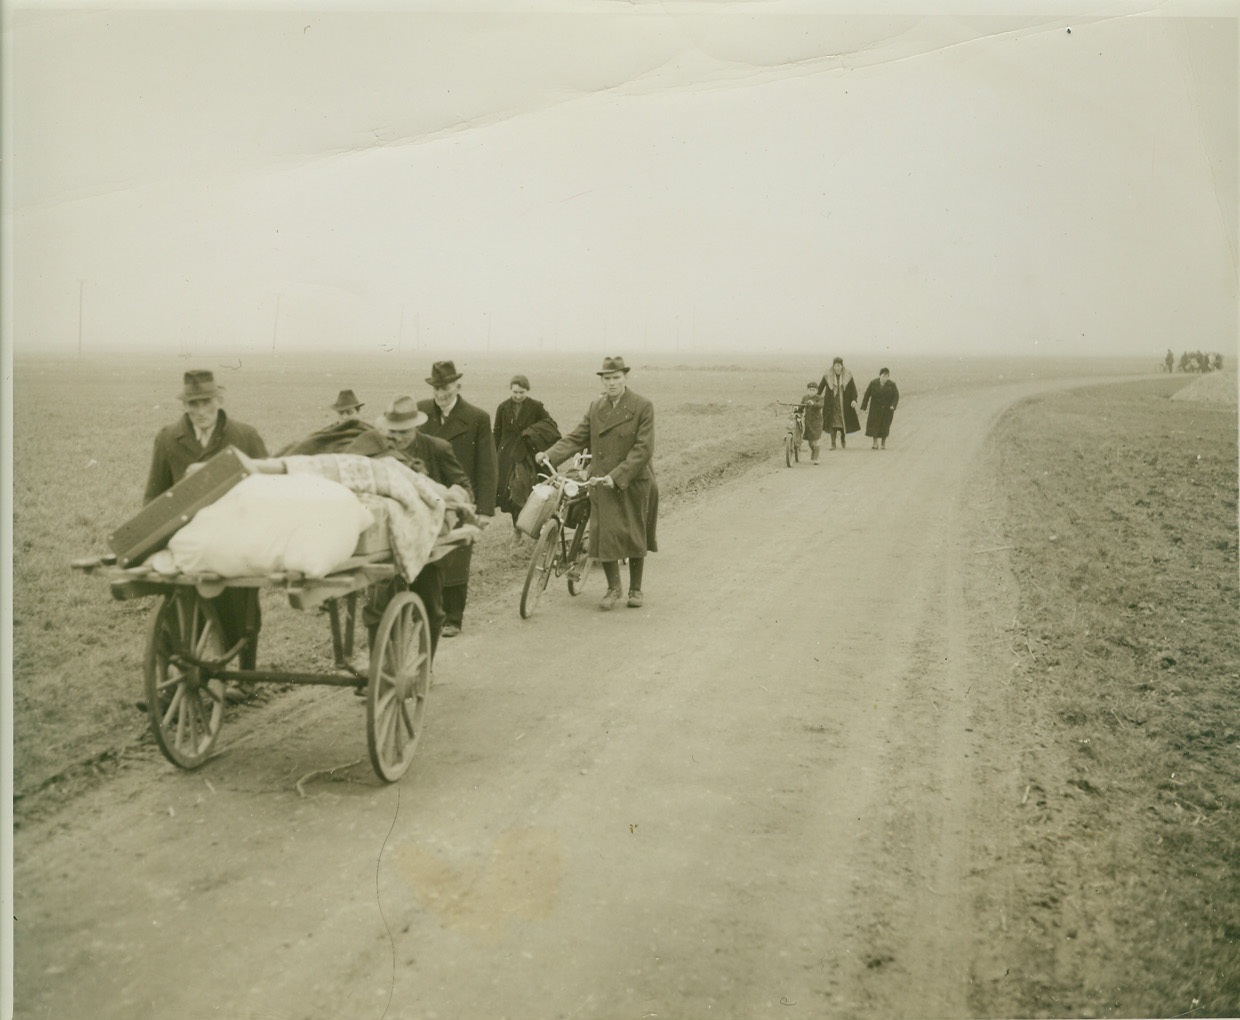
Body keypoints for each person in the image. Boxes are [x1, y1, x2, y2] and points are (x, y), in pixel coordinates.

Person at [145, 369, 269, 674]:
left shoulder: (245, 436)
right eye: (193, 404)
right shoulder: (168, 439)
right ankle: (170, 683)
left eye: (206, 402)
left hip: (235, 537)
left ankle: (246, 676)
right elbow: (154, 496)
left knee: (240, 609)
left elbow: (267, 490)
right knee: (175, 609)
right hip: (187, 541)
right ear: (185, 406)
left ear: (220, 400)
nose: (201, 411)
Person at [345, 394, 473, 657]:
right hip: (387, 539)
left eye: (404, 432)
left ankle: (426, 664)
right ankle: (379, 669)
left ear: (416, 427)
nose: (399, 437)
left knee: (429, 609)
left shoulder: (436, 448)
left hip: (427, 542)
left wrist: (452, 498)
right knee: (376, 609)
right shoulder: (379, 449)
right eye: (393, 431)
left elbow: (463, 486)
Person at [537, 355, 657, 611]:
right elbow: (575, 438)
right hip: (601, 479)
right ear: (602, 381)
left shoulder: (642, 406)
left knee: (634, 533)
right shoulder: (596, 408)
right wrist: (551, 454)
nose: (611, 383)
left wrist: (618, 475)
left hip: (631, 479)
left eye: (616, 378)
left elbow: (643, 449)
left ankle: (636, 588)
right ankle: (613, 588)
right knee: (605, 533)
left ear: (625, 378)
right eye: (607, 379)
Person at [416, 361, 496, 638]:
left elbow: (487, 465)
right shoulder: (420, 412)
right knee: (429, 556)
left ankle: (453, 617)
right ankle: (430, 613)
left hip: (462, 497)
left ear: (457, 386)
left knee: (457, 557)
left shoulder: (477, 418)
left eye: (446, 387)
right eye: (437, 388)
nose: (441, 394)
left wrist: (484, 509)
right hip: (427, 497)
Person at [494, 374, 561, 531]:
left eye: (522, 392)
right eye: (515, 392)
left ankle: (537, 528)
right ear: (510, 390)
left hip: (529, 456)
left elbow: (550, 424)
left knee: (533, 492)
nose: (518, 396)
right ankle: (517, 530)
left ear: (527, 391)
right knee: (511, 494)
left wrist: (531, 432)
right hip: (508, 456)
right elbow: (497, 432)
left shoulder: (536, 406)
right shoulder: (503, 407)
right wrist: (495, 455)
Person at [277, 388, 372, 456]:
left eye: (349, 412)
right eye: (341, 413)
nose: (345, 417)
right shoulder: (330, 431)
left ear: (358, 412)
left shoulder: (366, 431)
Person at [817, 357, 860, 450]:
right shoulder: (827, 375)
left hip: (844, 403)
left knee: (843, 422)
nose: (837, 368)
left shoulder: (848, 375)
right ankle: (833, 443)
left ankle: (843, 439)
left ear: (842, 366)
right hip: (831, 403)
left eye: (839, 365)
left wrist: (854, 400)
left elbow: (853, 389)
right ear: (833, 366)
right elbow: (820, 388)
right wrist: (815, 397)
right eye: (835, 366)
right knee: (832, 422)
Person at [860, 367, 900, 449]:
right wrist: (864, 406)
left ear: (888, 377)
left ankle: (883, 443)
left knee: (885, 426)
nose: (884, 378)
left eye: (886, 376)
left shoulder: (892, 385)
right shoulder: (873, 383)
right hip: (875, 409)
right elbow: (867, 394)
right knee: (874, 425)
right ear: (880, 376)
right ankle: (875, 443)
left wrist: (893, 405)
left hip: (887, 410)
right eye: (883, 376)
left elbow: (896, 396)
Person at [798, 380, 824, 464]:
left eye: (813, 390)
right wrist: (797, 411)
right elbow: (801, 407)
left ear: (816, 391)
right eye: (810, 390)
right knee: (810, 441)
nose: (811, 392)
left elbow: (821, 405)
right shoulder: (805, 398)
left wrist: (813, 404)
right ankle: (814, 451)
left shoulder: (819, 398)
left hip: (817, 422)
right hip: (808, 422)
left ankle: (817, 458)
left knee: (816, 440)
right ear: (807, 390)